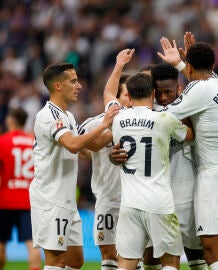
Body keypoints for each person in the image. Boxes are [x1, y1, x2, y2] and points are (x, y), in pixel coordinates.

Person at [103, 49, 194, 270]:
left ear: (129, 97)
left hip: (130, 203)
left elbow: (108, 94)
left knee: (126, 263)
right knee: (170, 261)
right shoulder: (164, 119)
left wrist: (119, 65)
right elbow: (190, 135)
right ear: (153, 93)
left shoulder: (117, 116)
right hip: (159, 202)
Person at [157, 36, 218, 270]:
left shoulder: (198, 89)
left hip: (214, 177)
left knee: (214, 253)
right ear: (213, 66)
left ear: (191, 67)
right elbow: (199, 77)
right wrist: (180, 64)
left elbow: (164, 117)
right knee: (210, 251)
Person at [29, 62, 119, 270]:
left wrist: (118, 131)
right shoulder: (49, 115)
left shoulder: (67, 116)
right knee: (56, 260)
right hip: (51, 199)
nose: (79, 86)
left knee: (76, 261)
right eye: (73, 81)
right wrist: (104, 124)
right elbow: (72, 145)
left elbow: (88, 147)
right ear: (58, 86)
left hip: (67, 200)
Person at [141, 62, 206, 270]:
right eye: (157, 93)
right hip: (157, 193)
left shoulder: (193, 107)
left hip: (188, 189)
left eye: (167, 92)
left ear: (179, 88)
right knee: (153, 257)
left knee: (197, 254)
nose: (162, 98)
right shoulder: (151, 114)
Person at [77, 74, 132, 270]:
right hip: (108, 198)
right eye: (127, 94)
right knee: (109, 255)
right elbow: (78, 148)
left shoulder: (142, 121)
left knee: (136, 256)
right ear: (116, 98)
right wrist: (96, 154)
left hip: (134, 199)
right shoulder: (95, 123)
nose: (131, 99)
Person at [0, 108, 41, 270]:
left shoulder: (2, 142)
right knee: (32, 244)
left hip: (4, 201)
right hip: (28, 201)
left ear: (10, 121)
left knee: (0, 243)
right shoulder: (34, 142)